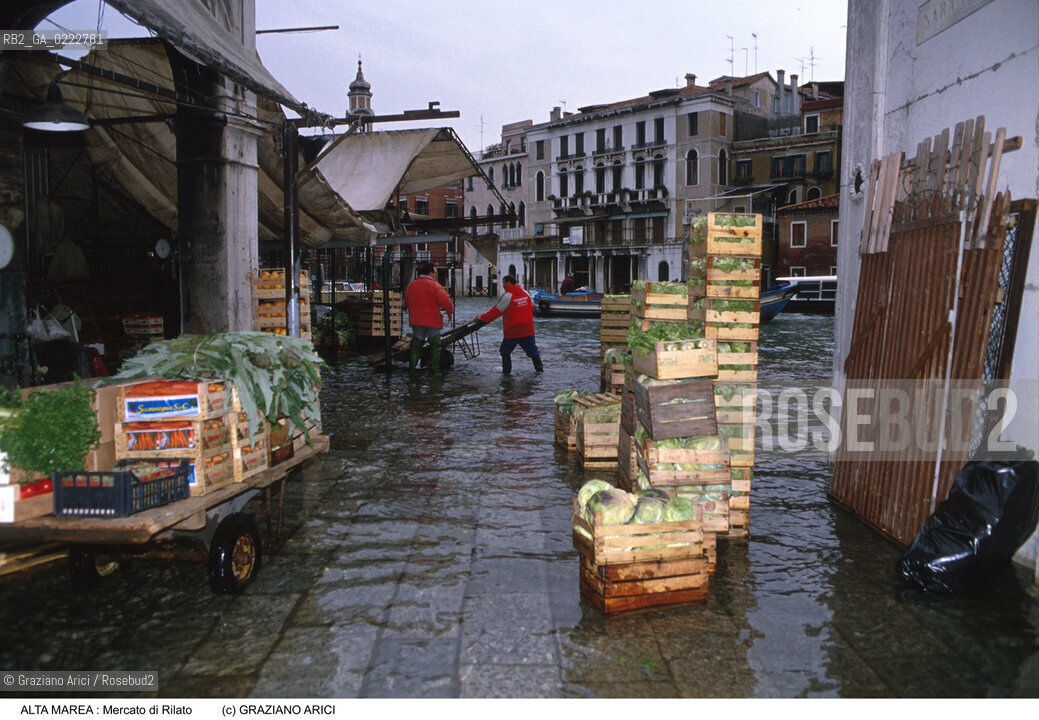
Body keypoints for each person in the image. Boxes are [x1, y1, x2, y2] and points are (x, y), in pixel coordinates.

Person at [475, 274, 543, 374]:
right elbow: (532, 306)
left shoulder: (508, 296)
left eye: (503, 283)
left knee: (505, 351)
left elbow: (495, 312)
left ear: (508, 282)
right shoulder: (525, 293)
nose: (503, 285)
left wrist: (482, 317)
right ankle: (540, 370)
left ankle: (506, 374)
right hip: (527, 329)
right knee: (533, 351)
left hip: (513, 330)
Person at [403, 261, 454, 373]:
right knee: (435, 347)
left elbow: (406, 302)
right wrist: (450, 312)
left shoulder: (412, 285)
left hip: (417, 321)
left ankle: (412, 371)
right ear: (430, 273)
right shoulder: (435, 285)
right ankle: (435, 372)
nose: (436, 275)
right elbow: (447, 302)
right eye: (435, 273)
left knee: (415, 347)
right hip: (432, 322)